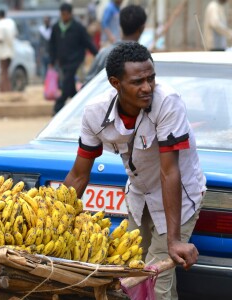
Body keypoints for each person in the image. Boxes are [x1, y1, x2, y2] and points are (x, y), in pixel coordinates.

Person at [63, 42, 206, 300]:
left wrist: (174, 241)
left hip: (179, 197)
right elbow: (79, 174)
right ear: (116, 83)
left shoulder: (167, 103)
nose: (147, 87)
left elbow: (169, 172)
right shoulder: (95, 113)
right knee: (130, 273)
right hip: (140, 196)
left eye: (151, 78)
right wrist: (56, 218)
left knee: (156, 281)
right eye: (138, 81)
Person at [49, 3, 98, 115]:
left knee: (66, 83)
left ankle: (58, 107)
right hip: (62, 61)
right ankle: (79, 104)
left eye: (66, 14)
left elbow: (87, 42)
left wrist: (97, 54)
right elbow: (52, 44)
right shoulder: (56, 27)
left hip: (75, 60)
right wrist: (52, 60)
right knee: (70, 87)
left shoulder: (78, 28)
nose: (64, 17)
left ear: (70, 14)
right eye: (62, 14)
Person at [85, 4, 147, 84]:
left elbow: (87, 84)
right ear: (142, 28)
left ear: (120, 25)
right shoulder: (145, 58)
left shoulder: (103, 54)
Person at [0, 9, 18, 92]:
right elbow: (15, 34)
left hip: (3, 52)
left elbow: (0, 38)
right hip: (11, 50)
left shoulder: (0, 24)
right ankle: (4, 88)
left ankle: (6, 89)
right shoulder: (11, 22)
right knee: (6, 71)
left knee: (4, 72)